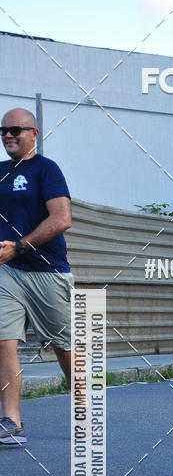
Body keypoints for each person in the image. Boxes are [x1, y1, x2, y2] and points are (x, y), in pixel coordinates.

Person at [0, 108, 72, 445]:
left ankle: (85, 408)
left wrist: (18, 246)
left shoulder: (47, 169)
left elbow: (61, 219)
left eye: (16, 129)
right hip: (7, 271)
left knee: (65, 347)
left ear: (35, 134)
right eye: (3, 131)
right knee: (4, 341)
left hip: (48, 271)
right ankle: (12, 422)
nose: (8, 135)